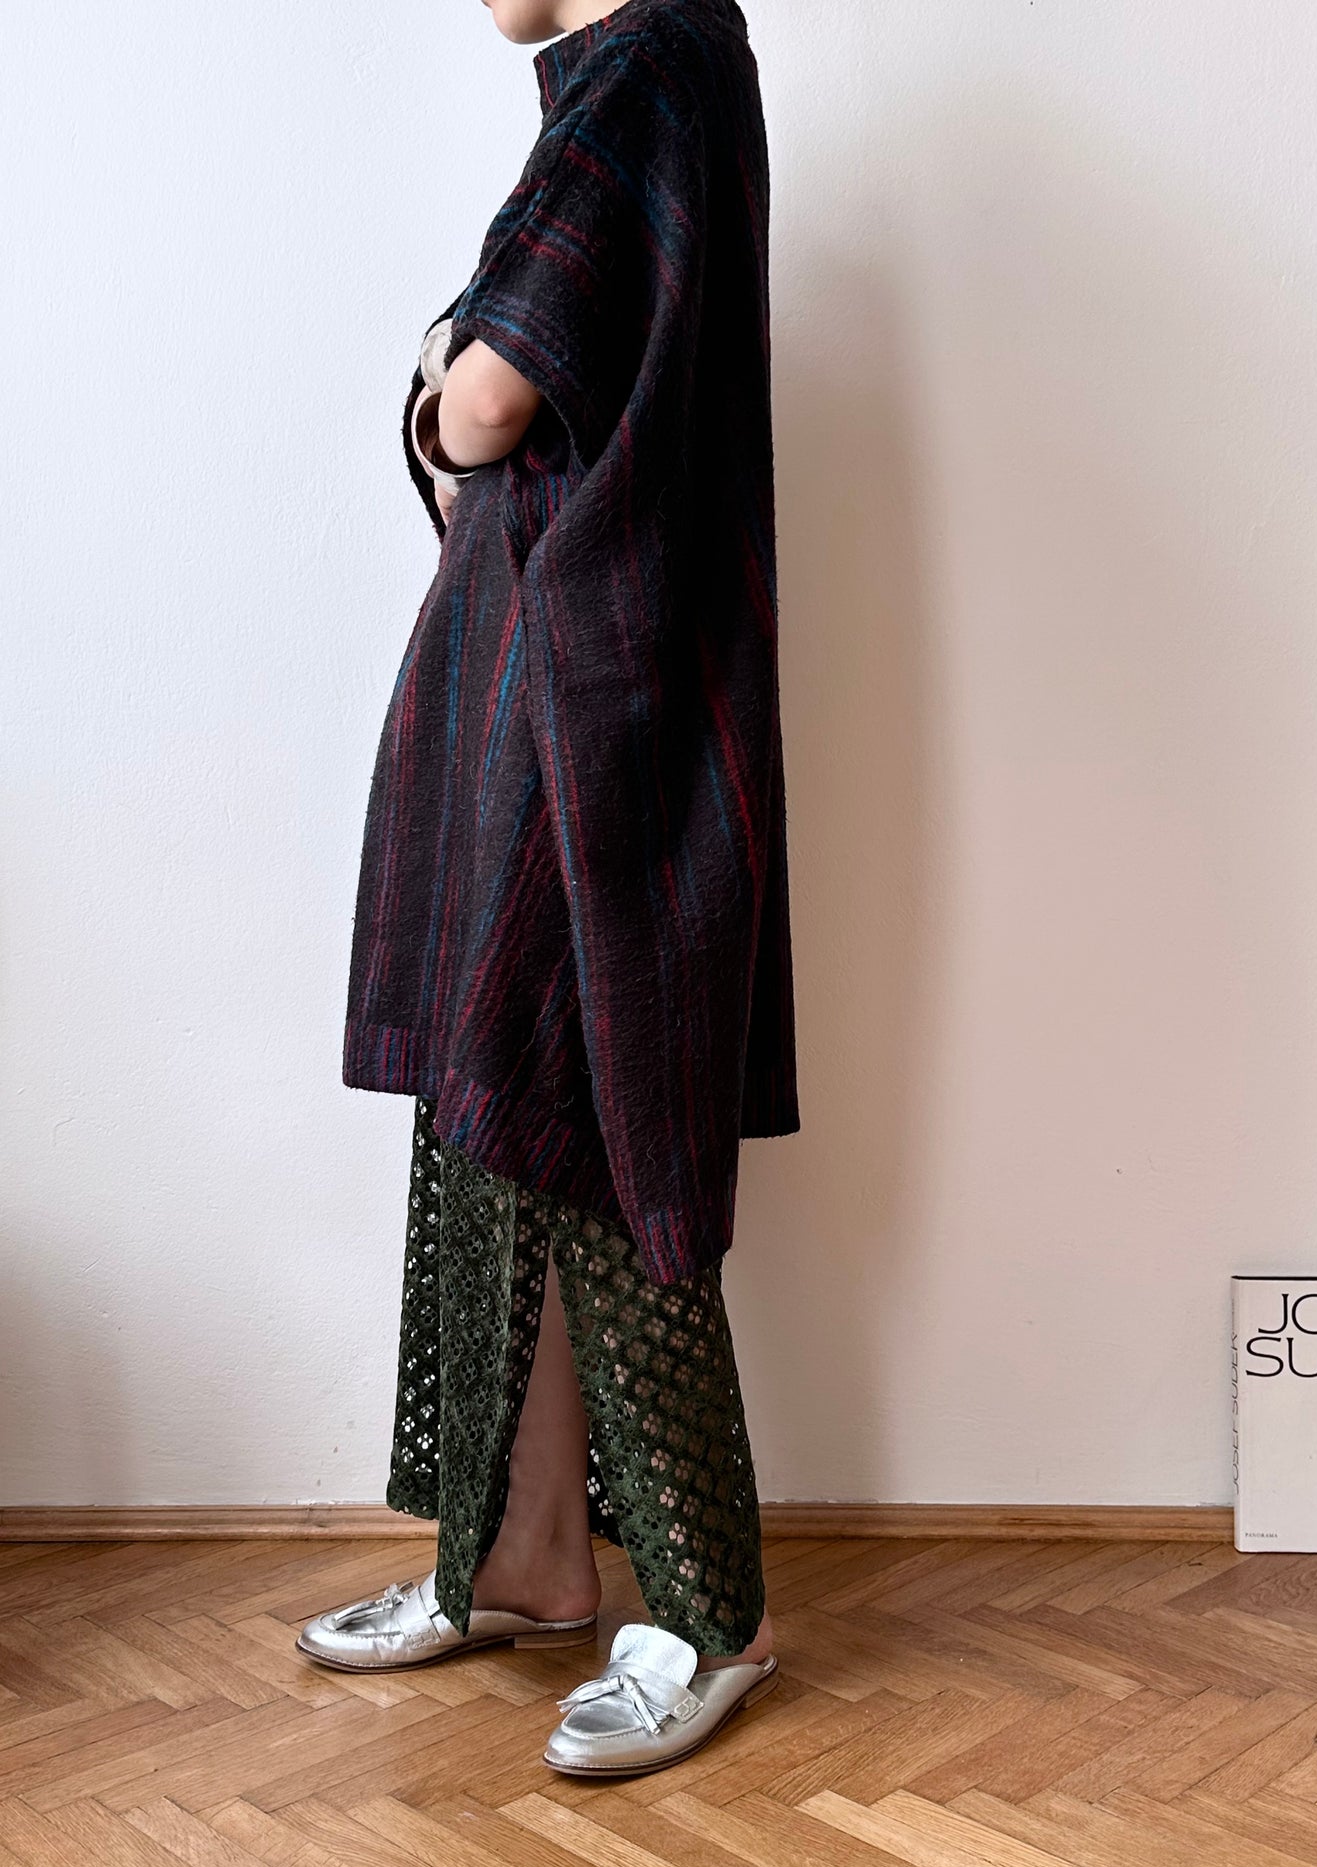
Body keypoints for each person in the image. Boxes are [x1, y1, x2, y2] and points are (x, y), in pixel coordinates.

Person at [296, 0, 800, 1777]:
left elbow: (491, 397)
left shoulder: (647, 62)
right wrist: (458, 381)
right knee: (504, 1104)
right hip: (559, 690)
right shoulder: (632, 83)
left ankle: (712, 1613)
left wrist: (445, 370)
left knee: (591, 1111)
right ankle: (517, 1561)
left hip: (591, 702)